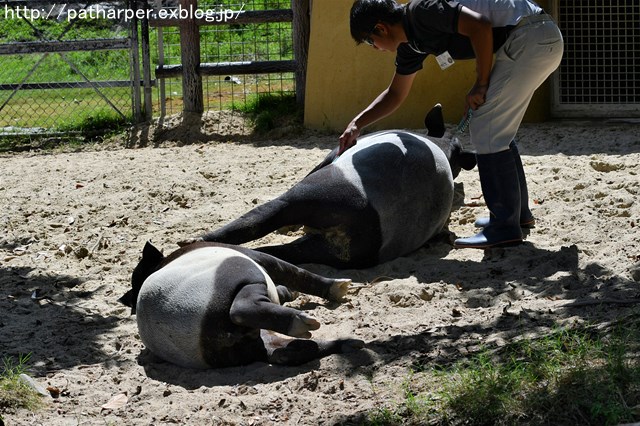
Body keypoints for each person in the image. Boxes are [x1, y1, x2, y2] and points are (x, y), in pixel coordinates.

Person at [339, 0, 564, 249]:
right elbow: (395, 94)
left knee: (487, 127)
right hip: (535, 39)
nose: (374, 48)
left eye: (370, 42)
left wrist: (481, 84)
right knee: (496, 126)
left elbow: (481, 26)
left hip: (531, 36)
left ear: (381, 28)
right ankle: (517, 216)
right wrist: (356, 124)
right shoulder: (411, 44)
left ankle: (504, 227)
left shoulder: (422, 11)